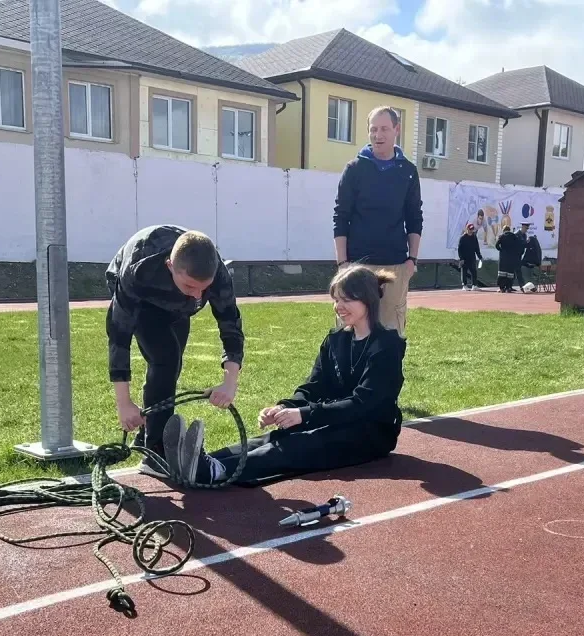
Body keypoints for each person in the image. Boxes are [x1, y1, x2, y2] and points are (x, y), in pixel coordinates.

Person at [161, 264, 406, 487]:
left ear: (367, 299)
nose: (338, 306)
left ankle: (215, 470)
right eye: (336, 299)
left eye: (346, 299)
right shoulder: (335, 340)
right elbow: (314, 386)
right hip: (334, 420)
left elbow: (364, 403)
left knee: (298, 445)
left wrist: (304, 414)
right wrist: (285, 407)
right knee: (275, 437)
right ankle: (200, 461)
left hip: (370, 434)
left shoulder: (386, 345)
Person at [104, 225, 243, 466]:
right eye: (190, 286)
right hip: (144, 300)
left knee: (171, 365)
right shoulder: (138, 269)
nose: (198, 296)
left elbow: (230, 323)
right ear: (170, 266)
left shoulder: (217, 273)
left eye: (204, 288)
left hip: (178, 307)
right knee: (166, 358)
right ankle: (155, 451)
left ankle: (146, 433)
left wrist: (230, 382)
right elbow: (119, 335)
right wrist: (124, 403)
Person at [332, 106, 423, 338]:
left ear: (396, 130)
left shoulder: (408, 171)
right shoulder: (354, 169)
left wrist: (411, 260)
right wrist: (343, 263)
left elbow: (414, 218)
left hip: (395, 267)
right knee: (349, 335)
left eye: (384, 129)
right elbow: (341, 216)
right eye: (373, 129)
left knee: (391, 336)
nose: (378, 135)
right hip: (357, 267)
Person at [495, 224, 524, 293]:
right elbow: (519, 246)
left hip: (503, 257)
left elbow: (496, 245)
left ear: (504, 230)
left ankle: (502, 288)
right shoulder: (514, 236)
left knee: (502, 273)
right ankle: (509, 287)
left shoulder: (502, 236)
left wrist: (501, 250)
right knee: (510, 273)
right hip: (511, 257)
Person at [518, 221, 544, 293]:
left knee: (527, 277)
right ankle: (531, 287)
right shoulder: (537, 248)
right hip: (534, 265)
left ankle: (528, 287)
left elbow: (526, 257)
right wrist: (539, 264)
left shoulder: (530, 248)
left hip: (528, 266)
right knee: (532, 278)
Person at [457, 222, 482, 291]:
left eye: (472, 229)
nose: (471, 231)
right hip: (464, 258)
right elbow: (459, 249)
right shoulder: (462, 238)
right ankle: (464, 285)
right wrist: (461, 258)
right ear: (467, 229)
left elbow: (477, 247)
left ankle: (474, 285)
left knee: (474, 271)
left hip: (472, 257)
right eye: (470, 229)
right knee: (464, 272)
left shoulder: (474, 237)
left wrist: (479, 256)